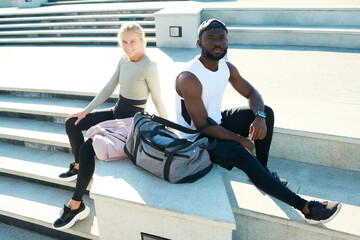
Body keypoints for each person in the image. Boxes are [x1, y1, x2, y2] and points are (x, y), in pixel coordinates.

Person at [174, 19, 341, 225]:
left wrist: (260, 118)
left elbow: (252, 92)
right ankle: (307, 209)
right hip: (197, 137)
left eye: (221, 38)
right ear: (199, 43)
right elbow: (203, 126)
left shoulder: (227, 67)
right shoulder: (189, 77)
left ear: (227, 41)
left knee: (266, 112)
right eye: (210, 38)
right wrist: (239, 139)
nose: (217, 43)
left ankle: (263, 173)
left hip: (217, 121)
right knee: (242, 155)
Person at [53, 23, 168, 229]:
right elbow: (109, 87)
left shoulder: (149, 66)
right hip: (116, 112)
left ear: (142, 41)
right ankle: (78, 167)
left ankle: (77, 205)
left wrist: (168, 127)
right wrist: (86, 111)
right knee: (72, 123)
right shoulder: (123, 60)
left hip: (130, 122)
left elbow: (158, 99)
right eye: (124, 42)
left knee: (89, 146)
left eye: (133, 41)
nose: (128, 46)